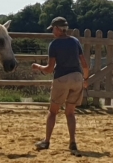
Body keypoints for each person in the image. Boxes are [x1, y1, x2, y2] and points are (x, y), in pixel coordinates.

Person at [31, 16, 89, 152]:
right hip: (77, 77)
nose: (52, 32)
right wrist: (86, 80)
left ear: (57, 29)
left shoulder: (54, 44)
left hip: (62, 78)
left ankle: (46, 141)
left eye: (53, 29)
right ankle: (73, 142)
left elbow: (50, 69)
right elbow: (85, 64)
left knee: (53, 111)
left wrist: (38, 67)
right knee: (70, 112)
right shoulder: (75, 41)